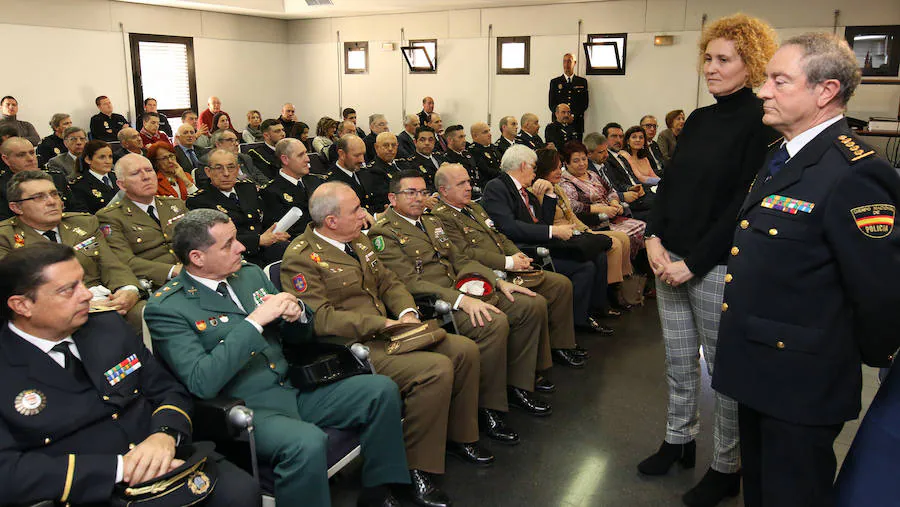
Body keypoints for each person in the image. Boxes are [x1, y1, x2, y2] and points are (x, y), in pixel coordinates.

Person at [711, 31, 900, 507]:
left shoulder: (855, 171)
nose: (762, 90)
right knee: (760, 491)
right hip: (758, 368)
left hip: (802, 382)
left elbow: (880, 289)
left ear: (825, 91)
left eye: (779, 80)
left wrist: (865, 354)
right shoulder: (783, 155)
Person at [145, 208, 410, 507]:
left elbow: (297, 338)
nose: (242, 247)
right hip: (247, 410)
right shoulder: (168, 308)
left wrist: (296, 315)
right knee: (307, 442)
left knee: (380, 390)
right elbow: (201, 382)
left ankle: (379, 491)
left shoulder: (249, 275)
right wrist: (254, 322)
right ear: (197, 258)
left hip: (292, 387)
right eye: (228, 243)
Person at [637, 13, 779, 507]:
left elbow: (741, 205)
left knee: (724, 375)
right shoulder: (697, 119)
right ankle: (678, 440)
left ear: (751, 63)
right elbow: (671, 186)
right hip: (667, 259)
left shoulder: (761, 123)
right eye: (708, 57)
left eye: (723, 59)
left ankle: (726, 466)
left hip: (713, 266)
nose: (710, 68)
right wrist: (652, 237)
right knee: (678, 364)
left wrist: (693, 263)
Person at [0, 242, 260, 507]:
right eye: (68, 290)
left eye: (82, 282)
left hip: (166, 455)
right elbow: (8, 472)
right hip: (90, 488)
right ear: (22, 305)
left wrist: (165, 434)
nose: (87, 295)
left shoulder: (107, 327)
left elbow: (167, 389)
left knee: (240, 491)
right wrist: (120, 468)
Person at [281, 182, 492, 507]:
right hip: (352, 347)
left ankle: (459, 435)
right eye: (355, 210)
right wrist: (384, 324)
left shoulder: (358, 239)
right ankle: (415, 468)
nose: (363, 214)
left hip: (390, 331)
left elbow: (388, 281)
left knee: (464, 350)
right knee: (434, 369)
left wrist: (406, 311)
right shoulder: (300, 258)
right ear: (332, 221)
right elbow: (320, 319)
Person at [370, 170, 554, 420]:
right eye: (410, 193)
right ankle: (488, 407)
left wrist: (497, 283)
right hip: (437, 304)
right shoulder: (384, 233)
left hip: (467, 288)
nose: (418, 198)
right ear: (393, 198)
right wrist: (460, 299)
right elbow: (410, 282)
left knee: (529, 304)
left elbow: (461, 259)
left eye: (423, 192)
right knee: (493, 322)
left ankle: (518, 384)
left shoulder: (430, 221)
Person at [431, 162, 583, 376]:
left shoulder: (473, 208)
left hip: (508, 264)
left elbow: (499, 235)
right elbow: (466, 254)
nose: (469, 187)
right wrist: (508, 263)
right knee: (533, 304)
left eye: (468, 181)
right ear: (444, 191)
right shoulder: (441, 217)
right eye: (461, 183)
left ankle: (560, 346)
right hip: (486, 273)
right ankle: (529, 369)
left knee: (560, 284)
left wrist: (516, 255)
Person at [481, 145, 614, 334]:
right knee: (585, 267)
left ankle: (591, 311)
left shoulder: (525, 189)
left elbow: (542, 221)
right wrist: (553, 231)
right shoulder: (497, 187)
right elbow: (509, 227)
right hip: (525, 250)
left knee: (598, 256)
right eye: (533, 168)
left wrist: (550, 193)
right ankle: (576, 322)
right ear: (523, 166)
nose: (535, 173)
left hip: (541, 241)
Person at [0, 170, 144, 330]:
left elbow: (111, 264)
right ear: (16, 207)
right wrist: (80, 303)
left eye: (54, 194)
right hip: (49, 311)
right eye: (39, 197)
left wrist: (128, 290)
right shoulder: (5, 237)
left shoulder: (83, 223)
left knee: (144, 313)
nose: (52, 202)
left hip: (104, 298)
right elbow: (15, 290)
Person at [542, 147, 635, 313]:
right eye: (556, 168)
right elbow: (568, 212)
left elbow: (572, 216)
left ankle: (618, 286)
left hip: (580, 228)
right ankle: (609, 295)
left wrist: (612, 204)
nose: (560, 171)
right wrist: (595, 213)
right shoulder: (549, 188)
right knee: (613, 244)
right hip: (566, 233)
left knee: (622, 238)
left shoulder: (560, 186)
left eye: (584, 159)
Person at [97, 153, 188, 289]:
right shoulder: (111, 217)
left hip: (196, 270)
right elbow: (125, 261)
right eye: (135, 173)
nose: (146, 177)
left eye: (149, 170)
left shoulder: (174, 204)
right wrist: (172, 270)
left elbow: (199, 241)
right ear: (122, 185)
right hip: (158, 284)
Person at [187, 149, 288, 267]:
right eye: (219, 168)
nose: (226, 173)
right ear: (208, 172)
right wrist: (258, 240)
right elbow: (213, 241)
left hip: (265, 251)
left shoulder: (247, 188)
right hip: (232, 258)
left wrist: (274, 233)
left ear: (238, 169)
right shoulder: (199, 200)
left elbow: (262, 220)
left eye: (231, 167)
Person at [0, 137, 77, 219]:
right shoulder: (2, 187)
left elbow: (76, 209)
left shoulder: (56, 178)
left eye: (32, 153)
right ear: (6, 159)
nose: (30, 158)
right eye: (21, 155)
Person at [260, 138, 321, 238]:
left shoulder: (315, 181)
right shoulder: (271, 192)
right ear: (285, 159)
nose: (307, 159)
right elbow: (283, 233)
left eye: (306, 153)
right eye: (301, 155)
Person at [325, 135, 376, 215]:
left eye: (363, 154)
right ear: (341, 154)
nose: (362, 160)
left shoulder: (364, 172)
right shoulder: (332, 182)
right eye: (357, 155)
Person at [200, 130, 268, 187]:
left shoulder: (244, 158)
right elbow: (208, 186)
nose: (236, 144)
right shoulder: (207, 160)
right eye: (230, 140)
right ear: (218, 144)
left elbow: (261, 178)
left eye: (236, 140)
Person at [70, 140, 119, 214]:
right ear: (88, 160)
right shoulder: (79, 185)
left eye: (110, 157)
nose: (108, 161)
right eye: (102, 157)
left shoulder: (118, 177)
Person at [360, 131, 402, 213]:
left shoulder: (404, 164)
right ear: (376, 147)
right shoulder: (373, 171)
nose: (390, 149)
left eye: (393, 145)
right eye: (386, 145)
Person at [548, 53, 588, 138]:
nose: (566, 64)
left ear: (575, 63)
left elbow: (584, 104)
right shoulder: (555, 82)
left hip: (576, 122)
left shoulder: (582, 82)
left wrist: (572, 115)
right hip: (558, 123)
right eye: (564, 61)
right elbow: (552, 104)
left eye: (569, 61)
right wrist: (562, 116)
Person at [440, 125, 482, 193]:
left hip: (477, 192)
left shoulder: (467, 154)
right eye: (460, 137)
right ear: (450, 140)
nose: (464, 140)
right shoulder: (446, 159)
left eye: (464, 136)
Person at [400, 126, 441, 191]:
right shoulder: (410, 163)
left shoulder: (440, 157)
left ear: (434, 142)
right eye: (422, 140)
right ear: (415, 142)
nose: (427, 143)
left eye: (430, 140)